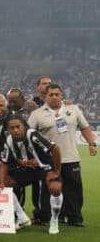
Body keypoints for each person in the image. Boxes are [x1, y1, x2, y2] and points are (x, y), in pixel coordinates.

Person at [28, 84, 97, 227]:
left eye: (57, 94)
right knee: (48, 191)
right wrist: (33, 156)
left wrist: (91, 143)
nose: (54, 97)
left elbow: (84, 127)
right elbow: (29, 136)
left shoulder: (74, 109)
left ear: (62, 95)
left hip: (71, 158)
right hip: (48, 161)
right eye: (51, 94)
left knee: (73, 190)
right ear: (45, 96)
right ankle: (48, 218)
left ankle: (75, 218)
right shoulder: (37, 114)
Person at [0, 115, 63, 234]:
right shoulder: (9, 140)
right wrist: (0, 181)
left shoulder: (32, 135)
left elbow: (55, 149)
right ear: (8, 129)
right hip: (26, 171)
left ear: (23, 126)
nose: (16, 130)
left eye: (18, 127)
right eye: (12, 128)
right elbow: (4, 163)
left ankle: (54, 219)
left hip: (44, 169)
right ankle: (22, 217)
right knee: (3, 185)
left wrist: (56, 171)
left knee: (55, 188)